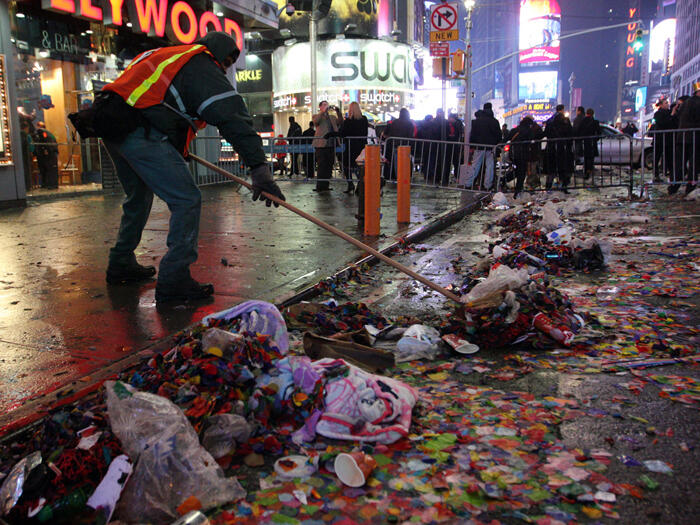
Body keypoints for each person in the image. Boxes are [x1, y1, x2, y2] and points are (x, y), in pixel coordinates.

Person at [100, 31, 285, 303]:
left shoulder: (169, 56)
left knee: (138, 197)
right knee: (186, 199)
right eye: (226, 63)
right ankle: (174, 280)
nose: (225, 70)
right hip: (140, 131)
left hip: (113, 124)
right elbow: (230, 116)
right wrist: (259, 168)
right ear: (218, 55)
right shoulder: (200, 63)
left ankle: (120, 264)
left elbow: (159, 102)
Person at [669, 84, 700, 195]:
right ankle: (691, 184)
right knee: (693, 163)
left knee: (680, 162)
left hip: (682, 137)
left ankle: (674, 184)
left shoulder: (686, 103)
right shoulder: (697, 103)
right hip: (694, 137)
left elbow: (678, 117)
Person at [465, 104, 502, 190]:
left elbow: (473, 134)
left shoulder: (476, 122)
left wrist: (472, 145)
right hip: (491, 147)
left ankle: (468, 183)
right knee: (490, 166)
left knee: (475, 165)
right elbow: (499, 135)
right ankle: (487, 185)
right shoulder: (494, 121)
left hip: (479, 147)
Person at [312, 100, 342, 192]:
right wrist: (322, 112)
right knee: (321, 165)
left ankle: (326, 185)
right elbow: (316, 121)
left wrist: (338, 111)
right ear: (320, 107)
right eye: (324, 105)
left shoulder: (332, 117)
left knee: (329, 165)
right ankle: (319, 186)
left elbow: (340, 121)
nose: (326, 106)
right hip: (321, 145)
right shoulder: (317, 116)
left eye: (327, 105)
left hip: (331, 144)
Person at [339, 101, 368, 194]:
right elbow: (365, 133)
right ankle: (360, 185)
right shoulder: (364, 119)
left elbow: (344, 133)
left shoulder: (348, 121)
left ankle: (350, 183)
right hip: (361, 146)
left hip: (351, 146)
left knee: (346, 165)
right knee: (360, 167)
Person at [543, 104, 574, 192]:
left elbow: (546, 133)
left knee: (551, 168)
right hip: (562, 147)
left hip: (551, 146)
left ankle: (548, 186)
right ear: (562, 110)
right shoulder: (565, 120)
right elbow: (569, 133)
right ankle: (564, 186)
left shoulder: (550, 120)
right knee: (563, 167)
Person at [382, 107, 416, 181]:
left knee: (397, 163)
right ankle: (405, 178)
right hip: (406, 146)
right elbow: (411, 135)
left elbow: (390, 133)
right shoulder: (409, 123)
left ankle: (399, 178)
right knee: (405, 163)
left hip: (396, 145)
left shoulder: (395, 122)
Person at [508, 116, 535, 198]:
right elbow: (532, 140)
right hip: (523, 153)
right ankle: (518, 190)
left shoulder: (515, 130)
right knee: (521, 172)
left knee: (518, 170)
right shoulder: (528, 131)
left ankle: (504, 179)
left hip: (514, 153)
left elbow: (507, 138)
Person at [650, 98, 674, 182]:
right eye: (665, 103)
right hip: (660, 139)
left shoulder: (669, 112)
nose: (667, 104)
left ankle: (671, 175)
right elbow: (664, 123)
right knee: (657, 157)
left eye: (667, 103)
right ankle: (656, 174)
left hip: (668, 140)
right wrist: (671, 115)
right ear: (660, 105)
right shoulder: (658, 113)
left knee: (669, 157)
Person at [33, 122, 59, 189]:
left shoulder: (41, 132)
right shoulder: (49, 133)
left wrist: (44, 150)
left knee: (45, 170)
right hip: (53, 154)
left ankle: (47, 184)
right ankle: (53, 184)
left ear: (38, 126)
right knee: (52, 170)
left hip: (46, 156)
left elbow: (42, 143)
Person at [577, 108, 601, 180]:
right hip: (592, 142)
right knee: (591, 158)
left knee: (586, 158)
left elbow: (579, 131)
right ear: (593, 114)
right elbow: (599, 132)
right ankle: (589, 171)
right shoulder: (595, 122)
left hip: (585, 142)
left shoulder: (583, 121)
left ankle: (586, 171)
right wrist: (595, 139)